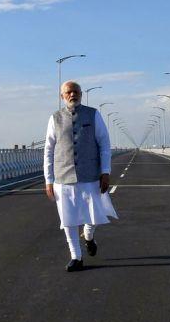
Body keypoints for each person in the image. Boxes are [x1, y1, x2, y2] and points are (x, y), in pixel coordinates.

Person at [44, 81, 118, 272]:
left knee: (94, 214)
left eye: (75, 91)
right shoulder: (55, 118)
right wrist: (48, 179)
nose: (72, 95)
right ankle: (76, 257)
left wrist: (105, 172)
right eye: (68, 92)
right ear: (62, 96)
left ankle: (89, 235)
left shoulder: (93, 114)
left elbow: (104, 144)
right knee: (68, 219)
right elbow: (48, 150)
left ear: (81, 94)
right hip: (63, 177)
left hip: (90, 175)